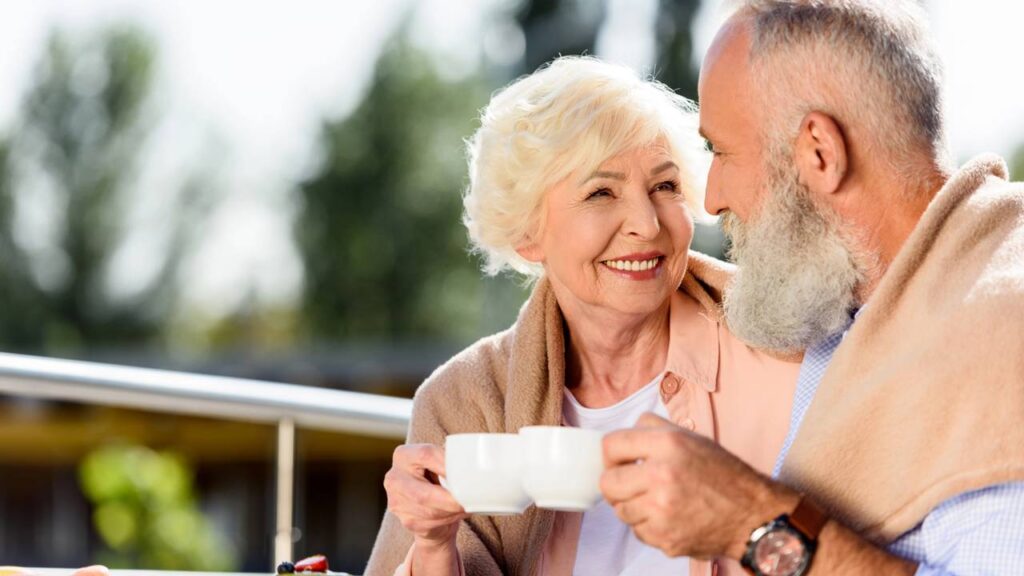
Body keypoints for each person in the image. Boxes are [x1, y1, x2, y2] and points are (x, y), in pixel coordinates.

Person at [601, 1, 1024, 575]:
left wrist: (748, 522)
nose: (712, 199)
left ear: (820, 153)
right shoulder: (847, 308)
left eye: (722, 152)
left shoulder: (1001, 332)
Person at [364, 56, 802, 576]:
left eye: (665, 187)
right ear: (527, 234)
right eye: (601, 192)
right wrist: (435, 546)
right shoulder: (465, 400)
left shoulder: (786, 354)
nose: (646, 224)